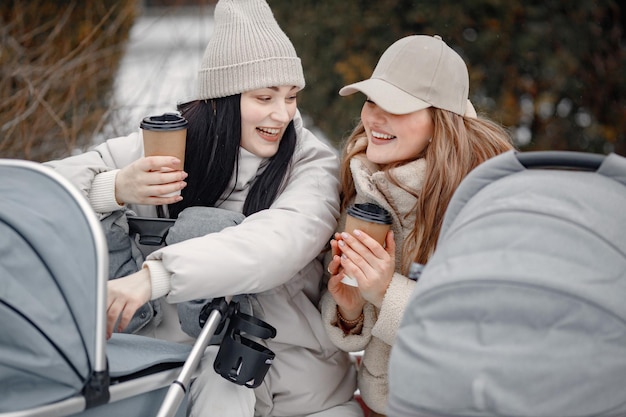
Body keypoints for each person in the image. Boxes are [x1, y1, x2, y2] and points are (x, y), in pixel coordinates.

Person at [45, 0, 362, 416]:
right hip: (176, 382)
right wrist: (115, 187)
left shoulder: (311, 165)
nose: (282, 114)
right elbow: (40, 190)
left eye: (291, 96)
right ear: (220, 100)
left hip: (297, 397)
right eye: (264, 96)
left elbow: (273, 245)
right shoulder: (172, 141)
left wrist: (155, 276)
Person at [320, 34, 515, 417]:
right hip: (382, 405)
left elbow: (476, 338)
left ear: (439, 121)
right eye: (371, 100)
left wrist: (386, 291)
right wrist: (351, 308)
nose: (374, 117)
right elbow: (355, 328)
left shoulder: (484, 203)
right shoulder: (367, 184)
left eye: (396, 106)